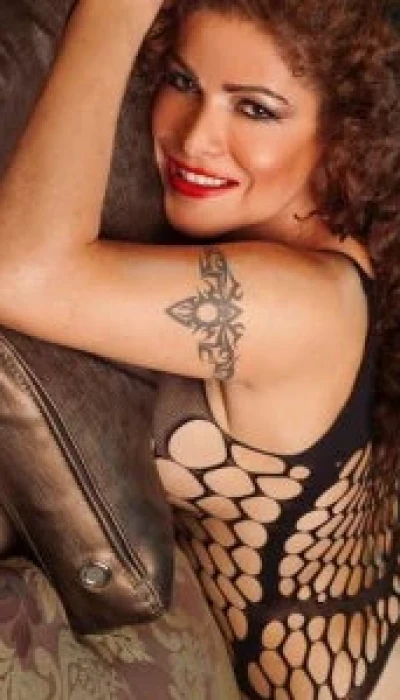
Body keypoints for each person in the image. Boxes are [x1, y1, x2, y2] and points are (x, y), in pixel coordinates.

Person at [0, 0, 399, 697]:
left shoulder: (304, 307)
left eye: (256, 109)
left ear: (342, 132)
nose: (195, 137)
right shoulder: (286, 248)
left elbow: (19, 274)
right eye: (183, 81)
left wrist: (113, 12)